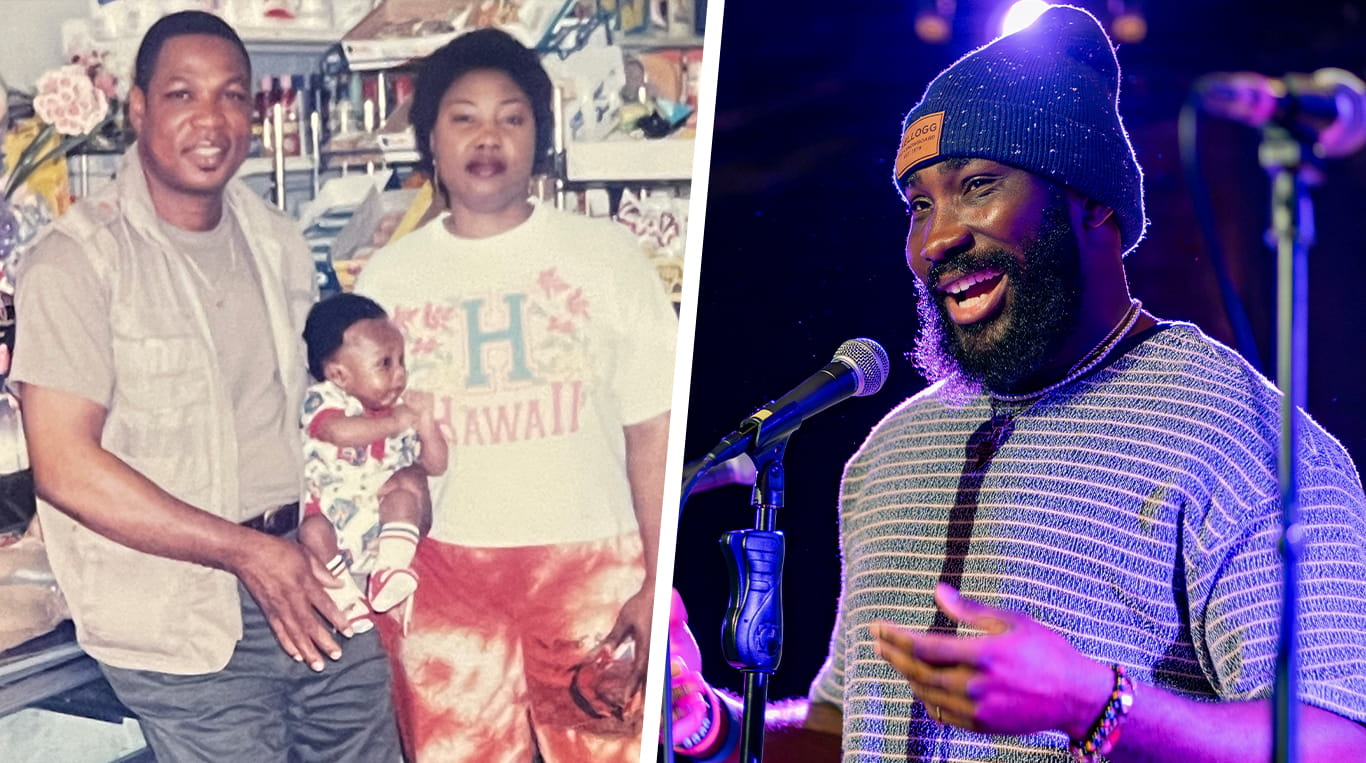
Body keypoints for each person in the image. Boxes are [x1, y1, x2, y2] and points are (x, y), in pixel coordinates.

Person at [668, 6, 1366, 762]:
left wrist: (1091, 703)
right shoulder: (893, 449)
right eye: (920, 204)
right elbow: (849, 732)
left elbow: (1336, 743)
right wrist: (707, 724)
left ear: (1091, 199)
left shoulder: (1243, 437)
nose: (937, 239)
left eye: (977, 185)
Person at [10, 11, 402, 761]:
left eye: (232, 95)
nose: (211, 119)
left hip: (306, 569)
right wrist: (246, 553)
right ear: (138, 108)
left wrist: (339, 503)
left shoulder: (278, 242)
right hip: (178, 614)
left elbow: (298, 414)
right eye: (182, 94)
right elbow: (63, 466)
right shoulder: (77, 261)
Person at [355, 27, 676, 763]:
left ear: (540, 136)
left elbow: (654, 429)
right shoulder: (389, 279)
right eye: (463, 117)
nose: (488, 137)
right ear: (430, 138)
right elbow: (369, 452)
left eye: (511, 117)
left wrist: (656, 579)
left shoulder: (606, 256)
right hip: (445, 583)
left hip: (593, 579)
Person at [299, 293, 449, 630]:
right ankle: (345, 599)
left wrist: (426, 424)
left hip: (382, 526)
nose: (400, 374)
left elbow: (436, 465)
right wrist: (396, 422)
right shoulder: (326, 400)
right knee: (312, 531)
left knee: (407, 488)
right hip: (332, 520)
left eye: (401, 361)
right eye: (385, 363)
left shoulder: (399, 412)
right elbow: (336, 432)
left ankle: (389, 571)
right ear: (339, 375)